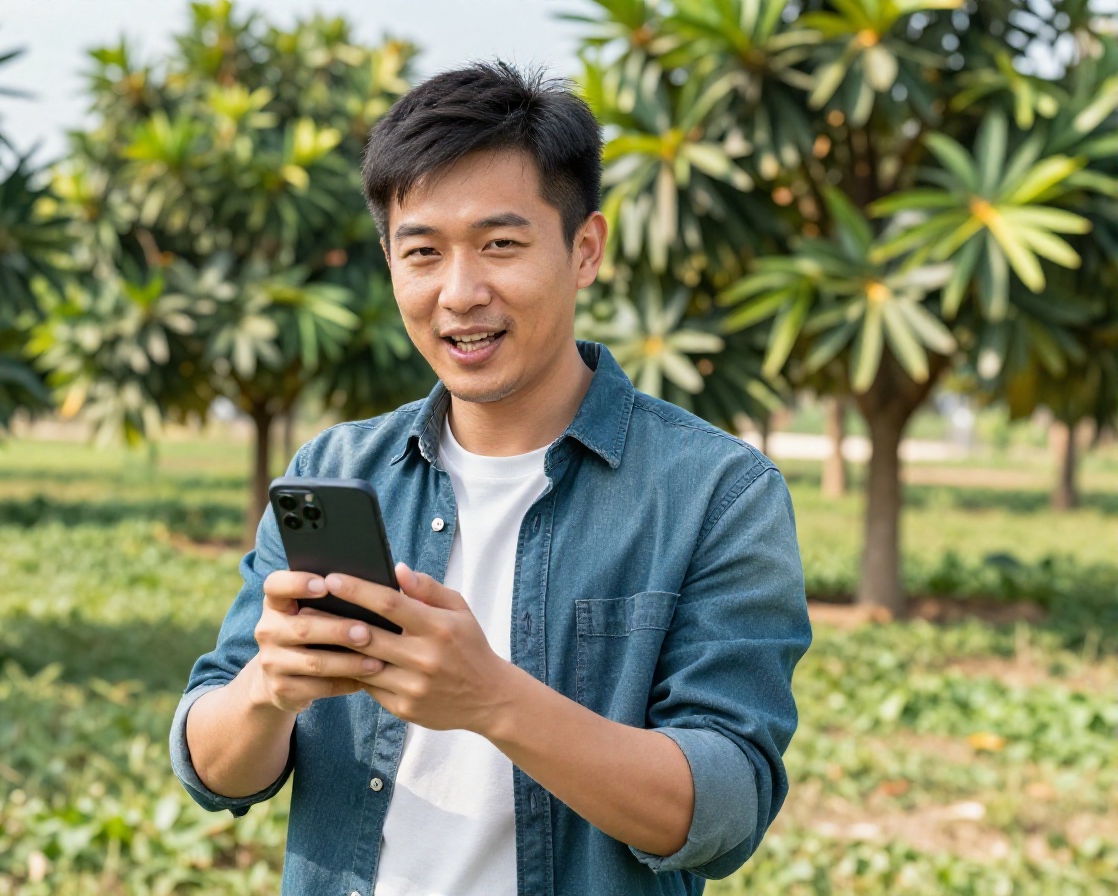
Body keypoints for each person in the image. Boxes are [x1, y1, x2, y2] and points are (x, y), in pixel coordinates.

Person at [169, 60, 812, 896]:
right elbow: (213, 768)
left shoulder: (718, 494)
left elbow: (725, 807)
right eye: (423, 253)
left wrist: (492, 699)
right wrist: (267, 692)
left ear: (585, 250)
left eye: (500, 245)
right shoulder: (334, 471)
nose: (459, 293)